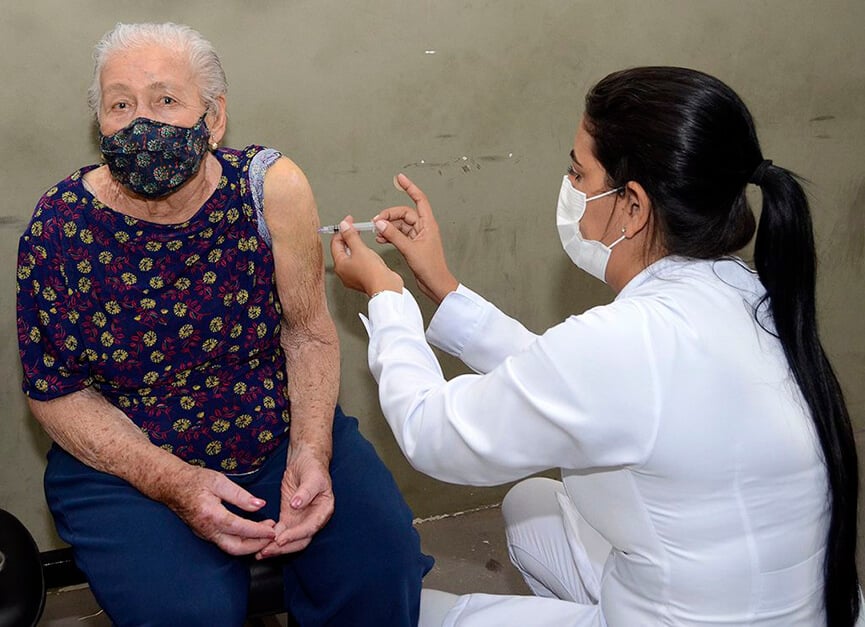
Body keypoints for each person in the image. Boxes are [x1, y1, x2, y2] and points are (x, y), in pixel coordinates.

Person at [328, 66, 860, 626]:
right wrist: (443, 287)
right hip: (780, 605)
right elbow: (570, 382)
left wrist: (387, 299)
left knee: (396, 613)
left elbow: (432, 432)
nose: (570, 189)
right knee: (529, 505)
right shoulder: (746, 291)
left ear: (633, 204)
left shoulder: (631, 341)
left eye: (577, 173)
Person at [16, 22, 432, 626]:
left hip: (273, 422)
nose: (142, 124)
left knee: (381, 569)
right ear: (99, 123)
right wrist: (174, 482)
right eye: (121, 105)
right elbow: (56, 392)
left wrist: (312, 448)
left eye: (165, 100)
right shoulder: (59, 228)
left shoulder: (270, 190)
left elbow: (308, 331)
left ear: (212, 119)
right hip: (129, 456)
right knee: (190, 613)